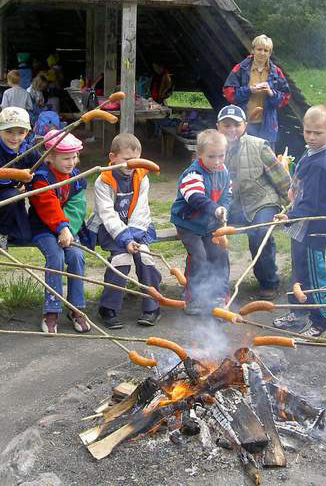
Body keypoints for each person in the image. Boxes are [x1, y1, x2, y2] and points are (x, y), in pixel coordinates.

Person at [271, 105, 326, 337]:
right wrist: (293, 192)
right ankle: (298, 312)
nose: (311, 137)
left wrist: (289, 216)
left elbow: (312, 203)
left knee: (313, 273)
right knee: (298, 270)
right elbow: (302, 183)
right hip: (301, 224)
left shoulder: (322, 163)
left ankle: (321, 320)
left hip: (313, 228)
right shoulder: (311, 151)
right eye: (307, 131)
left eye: (317, 133)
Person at [89, 133, 162, 329]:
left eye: (137, 160)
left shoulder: (142, 177)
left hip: (138, 227)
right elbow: (107, 215)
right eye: (128, 160)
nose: (133, 165)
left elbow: (141, 210)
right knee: (121, 258)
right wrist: (125, 239)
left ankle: (152, 306)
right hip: (111, 229)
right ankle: (108, 308)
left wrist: (134, 238)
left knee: (144, 255)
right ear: (112, 157)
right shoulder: (102, 181)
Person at [217, 104, 290, 299]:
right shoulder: (213, 148)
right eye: (227, 125)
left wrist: (292, 207)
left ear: (245, 126)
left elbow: (281, 178)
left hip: (262, 201)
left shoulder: (259, 145)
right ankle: (217, 286)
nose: (232, 129)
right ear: (218, 127)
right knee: (213, 232)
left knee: (260, 231)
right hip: (231, 205)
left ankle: (269, 282)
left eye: (236, 125)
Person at [28, 131, 90, 334]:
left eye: (74, 157)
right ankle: (52, 310)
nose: (71, 162)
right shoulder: (42, 179)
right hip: (44, 228)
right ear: (50, 157)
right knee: (55, 256)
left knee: (77, 256)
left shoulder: (77, 179)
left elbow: (77, 207)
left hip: (68, 230)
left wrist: (68, 230)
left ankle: (76, 307)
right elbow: (48, 205)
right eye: (65, 158)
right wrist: (61, 228)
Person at [170, 129, 232, 315]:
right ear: (199, 154)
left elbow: (227, 194)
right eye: (211, 156)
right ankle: (193, 297)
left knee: (220, 253)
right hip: (188, 224)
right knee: (199, 256)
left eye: (221, 156)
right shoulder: (193, 174)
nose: (217, 161)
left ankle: (219, 295)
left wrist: (224, 209)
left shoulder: (223, 171)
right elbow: (196, 198)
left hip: (210, 224)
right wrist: (215, 209)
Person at [0, 107, 39, 245]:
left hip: (16, 197)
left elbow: (40, 167)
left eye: (21, 132)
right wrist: (18, 178)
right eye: (9, 132)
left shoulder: (28, 148)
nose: (15, 138)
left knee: (24, 238)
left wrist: (27, 183)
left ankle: (12, 227)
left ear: (27, 132)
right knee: (11, 195)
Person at [223, 34, 291, 149]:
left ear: (270, 53)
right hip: (244, 123)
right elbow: (228, 93)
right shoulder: (241, 69)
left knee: (266, 162)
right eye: (259, 49)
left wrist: (271, 93)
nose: (262, 53)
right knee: (244, 160)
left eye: (266, 50)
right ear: (252, 50)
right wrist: (249, 90)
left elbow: (286, 97)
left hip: (267, 125)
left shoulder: (276, 72)